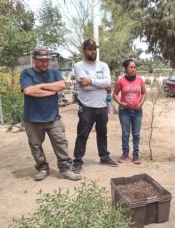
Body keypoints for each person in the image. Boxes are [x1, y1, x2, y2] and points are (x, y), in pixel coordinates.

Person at [20, 47, 81, 181]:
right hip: (32, 118)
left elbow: (61, 85)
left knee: (61, 142)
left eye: (47, 60)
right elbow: (29, 91)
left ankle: (65, 170)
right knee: (35, 145)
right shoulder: (27, 73)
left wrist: (40, 86)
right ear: (34, 59)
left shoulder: (53, 72)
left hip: (53, 117)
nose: (45, 63)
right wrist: (50, 90)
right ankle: (42, 168)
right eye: (41, 60)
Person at [71, 38, 118, 174]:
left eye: (95, 49)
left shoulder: (103, 65)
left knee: (102, 133)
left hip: (102, 106)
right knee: (83, 134)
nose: (93, 51)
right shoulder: (79, 66)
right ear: (84, 50)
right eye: (90, 49)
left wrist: (91, 81)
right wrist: (100, 85)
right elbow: (84, 87)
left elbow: (108, 82)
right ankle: (77, 161)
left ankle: (104, 157)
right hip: (86, 106)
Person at [112, 59, 147, 164]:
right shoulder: (121, 81)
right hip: (125, 111)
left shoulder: (140, 80)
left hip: (137, 111)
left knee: (136, 134)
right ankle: (125, 154)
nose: (133, 69)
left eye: (134, 67)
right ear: (126, 69)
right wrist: (120, 103)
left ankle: (136, 154)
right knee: (126, 133)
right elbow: (115, 94)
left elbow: (144, 93)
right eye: (131, 67)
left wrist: (141, 103)